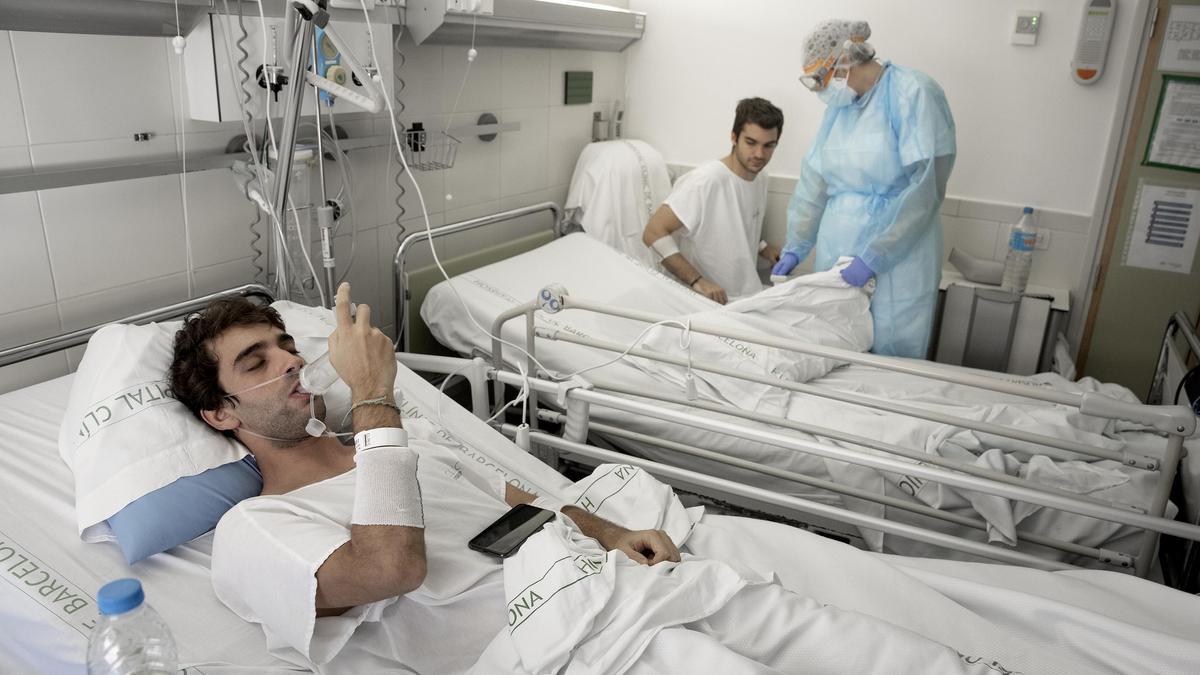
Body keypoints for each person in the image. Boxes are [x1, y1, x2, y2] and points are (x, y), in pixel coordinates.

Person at [167, 283, 1000, 673]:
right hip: (550, 645)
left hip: (600, 577)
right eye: (256, 361)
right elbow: (392, 568)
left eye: (284, 345)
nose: (288, 364)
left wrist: (608, 530)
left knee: (792, 616)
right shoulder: (253, 529)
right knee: (704, 663)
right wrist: (376, 399)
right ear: (220, 414)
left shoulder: (395, 442)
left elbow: (517, 504)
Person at [771, 19, 956, 358]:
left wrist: (876, 255)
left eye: (823, 78)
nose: (823, 90)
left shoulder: (913, 92)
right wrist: (796, 245)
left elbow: (925, 186)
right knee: (833, 347)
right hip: (837, 251)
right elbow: (814, 181)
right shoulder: (839, 111)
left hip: (900, 258)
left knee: (891, 351)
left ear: (845, 60)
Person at [641, 97, 784, 304]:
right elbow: (653, 232)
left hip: (743, 295)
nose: (759, 154)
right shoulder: (706, 181)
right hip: (702, 301)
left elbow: (735, 222)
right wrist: (698, 281)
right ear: (734, 138)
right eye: (751, 143)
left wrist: (763, 248)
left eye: (769, 145)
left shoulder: (760, 177)